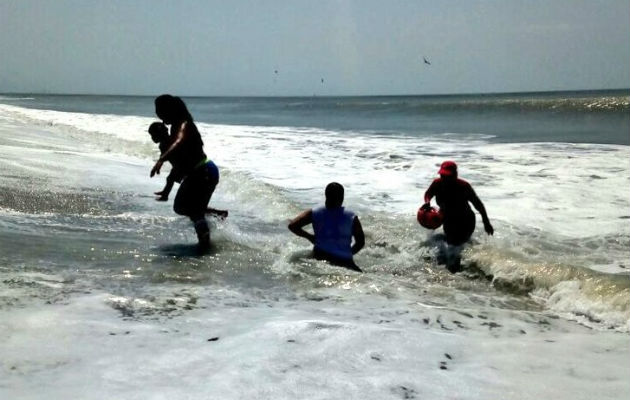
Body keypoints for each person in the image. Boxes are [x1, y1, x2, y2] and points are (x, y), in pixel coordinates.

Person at [150, 94, 221, 251]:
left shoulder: (184, 124)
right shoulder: (176, 126)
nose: (158, 115)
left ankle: (205, 244)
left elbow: (179, 141)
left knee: (190, 208)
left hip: (203, 171)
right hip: (202, 172)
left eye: (159, 111)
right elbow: (178, 166)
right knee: (182, 207)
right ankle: (213, 222)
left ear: (169, 110)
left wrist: (161, 159)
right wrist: (167, 189)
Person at [422, 161, 493, 271]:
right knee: (450, 244)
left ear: (455, 175)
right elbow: (428, 194)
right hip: (448, 220)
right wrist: (427, 202)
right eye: (442, 175)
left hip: (465, 220)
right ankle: (451, 268)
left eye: (447, 176)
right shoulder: (437, 183)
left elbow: (478, 204)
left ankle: (457, 271)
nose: (444, 178)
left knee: (455, 245)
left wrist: (486, 222)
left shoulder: (463, 186)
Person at [288, 182, 365, 272]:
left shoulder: (315, 213)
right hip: (345, 262)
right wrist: (348, 253)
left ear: (326, 195)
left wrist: (310, 237)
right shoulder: (351, 217)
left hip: (320, 258)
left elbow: (292, 226)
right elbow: (360, 242)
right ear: (342, 197)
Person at [148, 121, 184, 201]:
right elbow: (163, 157)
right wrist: (158, 166)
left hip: (182, 167)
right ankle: (165, 194)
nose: (152, 138)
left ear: (159, 135)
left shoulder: (167, 143)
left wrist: (156, 167)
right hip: (178, 166)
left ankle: (165, 195)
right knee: (170, 179)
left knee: (171, 179)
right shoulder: (165, 142)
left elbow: (164, 156)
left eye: (153, 135)